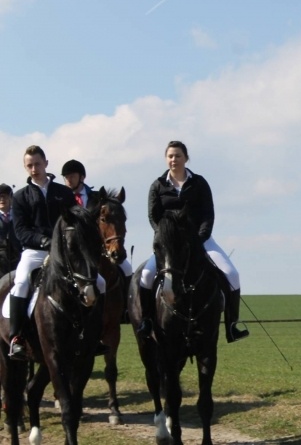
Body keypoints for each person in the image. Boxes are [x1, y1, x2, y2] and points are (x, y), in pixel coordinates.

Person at [137, 140, 248, 343]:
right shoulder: (157, 186)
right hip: (168, 246)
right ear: (166, 159)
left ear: (186, 158)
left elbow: (208, 214)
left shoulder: (199, 183)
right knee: (145, 276)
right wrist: (164, 237)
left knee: (232, 274)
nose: (174, 159)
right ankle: (147, 321)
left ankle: (232, 325)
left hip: (200, 240)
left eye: (178, 155)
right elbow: (153, 217)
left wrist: (200, 238)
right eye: (170, 156)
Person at [9, 146, 107, 360]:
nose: (34, 169)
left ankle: (96, 334)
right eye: (29, 165)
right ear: (26, 167)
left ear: (46, 163)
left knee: (99, 283)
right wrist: (43, 240)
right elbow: (21, 230)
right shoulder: (20, 197)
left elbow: (78, 219)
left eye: (37, 164)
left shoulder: (63, 193)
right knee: (22, 283)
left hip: (65, 252)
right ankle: (17, 337)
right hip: (35, 251)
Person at [62, 159, 133, 320]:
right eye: (66, 177)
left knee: (127, 268)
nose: (68, 180)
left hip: (97, 247)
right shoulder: (63, 199)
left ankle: (128, 308)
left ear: (82, 177)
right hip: (73, 249)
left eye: (72, 176)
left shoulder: (97, 198)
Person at [0, 183, 21, 276]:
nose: (2, 199)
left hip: (18, 259)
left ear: (11, 198)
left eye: (4, 196)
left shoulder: (19, 216)